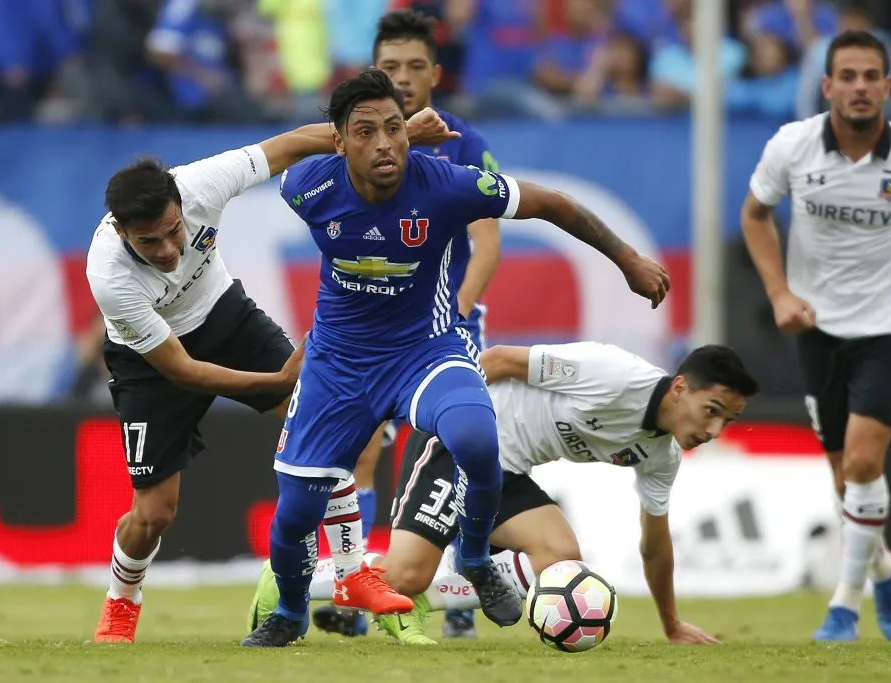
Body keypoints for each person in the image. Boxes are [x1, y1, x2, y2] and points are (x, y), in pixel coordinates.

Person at [240, 68, 670, 647]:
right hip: (338, 364)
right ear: (338, 142)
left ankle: (473, 557)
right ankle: (290, 615)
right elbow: (286, 151)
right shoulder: (307, 186)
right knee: (294, 513)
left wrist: (627, 260)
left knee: (475, 436)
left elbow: (552, 205)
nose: (384, 143)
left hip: (427, 350)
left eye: (394, 128)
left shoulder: (446, 184)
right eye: (365, 132)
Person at [85, 109, 461, 644]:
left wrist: (382, 142)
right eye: (151, 244)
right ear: (122, 232)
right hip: (152, 364)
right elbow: (184, 371)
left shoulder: (199, 184)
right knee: (154, 513)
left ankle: (353, 573)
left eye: (175, 232)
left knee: (336, 430)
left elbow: (292, 144)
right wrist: (278, 380)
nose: (170, 251)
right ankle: (123, 600)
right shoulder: (108, 276)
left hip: (225, 314)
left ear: (180, 204)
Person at [247, 342, 759, 645]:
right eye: (711, 409)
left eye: (727, 421)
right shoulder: (613, 374)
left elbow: (655, 545)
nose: (713, 430)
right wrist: (446, 415)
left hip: (506, 474)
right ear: (679, 388)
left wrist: (671, 624)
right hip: (457, 442)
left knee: (561, 560)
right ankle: (290, 577)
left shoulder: (662, 456)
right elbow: (498, 359)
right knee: (405, 575)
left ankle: (419, 597)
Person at [740, 29, 891, 642]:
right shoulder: (792, 147)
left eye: (872, 76)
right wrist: (780, 293)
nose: (860, 87)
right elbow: (754, 215)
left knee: (865, 463)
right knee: (847, 483)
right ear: (827, 86)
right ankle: (886, 574)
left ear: (888, 87)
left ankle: (844, 605)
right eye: (849, 76)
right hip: (819, 328)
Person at [341, 7, 504, 640]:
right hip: (372, 326)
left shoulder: (466, 145)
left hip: (442, 328)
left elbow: (486, 244)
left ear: (435, 74)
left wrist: (454, 318)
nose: (403, 79)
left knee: (447, 451)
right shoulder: (355, 141)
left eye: (414, 67)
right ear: (372, 72)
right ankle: (360, 587)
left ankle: (459, 596)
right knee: (357, 454)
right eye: (390, 67)